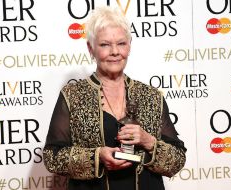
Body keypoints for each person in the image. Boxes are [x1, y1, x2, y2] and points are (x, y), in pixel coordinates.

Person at [43, 6, 186, 190]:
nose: (114, 52)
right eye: (104, 44)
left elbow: (177, 160)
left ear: (129, 46)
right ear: (91, 48)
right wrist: (97, 157)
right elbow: (52, 157)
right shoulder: (73, 95)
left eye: (121, 43)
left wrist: (148, 141)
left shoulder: (150, 96)